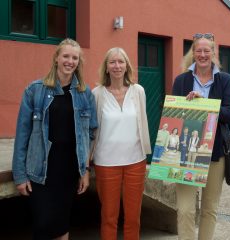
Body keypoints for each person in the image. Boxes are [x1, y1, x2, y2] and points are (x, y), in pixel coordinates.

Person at [12, 38, 98, 240]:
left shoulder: (85, 93)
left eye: (74, 57)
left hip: (69, 171)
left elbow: (90, 135)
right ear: (57, 58)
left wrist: (85, 170)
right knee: (43, 226)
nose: (70, 61)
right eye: (66, 56)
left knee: (61, 225)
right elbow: (22, 134)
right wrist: (20, 175)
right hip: (41, 170)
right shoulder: (35, 90)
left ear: (79, 62)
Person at [172, 33, 230, 240]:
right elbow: (173, 115)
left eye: (206, 50)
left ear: (213, 53)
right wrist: (188, 105)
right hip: (186, 152)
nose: (202, 54)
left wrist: (206, 105)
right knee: (185, 210)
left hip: (216, 152)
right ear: (193, 53)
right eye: (198, 50)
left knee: (209, 210)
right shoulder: (181, 80)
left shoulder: (225, 80)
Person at [91, 47, 151, 240]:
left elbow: (142, 123)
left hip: (135, 161)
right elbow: (91, 130)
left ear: (127, 66)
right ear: (106, 68)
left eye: (121, 62)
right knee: (109, 216)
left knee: (133, 217)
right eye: (112, 62)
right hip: (106, 163)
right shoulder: (97, 94)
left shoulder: (138, 91)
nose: (117, 66)